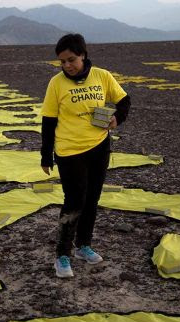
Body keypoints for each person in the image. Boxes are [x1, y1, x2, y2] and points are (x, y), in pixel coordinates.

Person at [40, 33, 131, 278]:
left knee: (92, 199)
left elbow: (124, 100)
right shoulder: (56, 83)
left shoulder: (102, 76)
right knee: (74, 201)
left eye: (71, 60)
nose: (67, 65)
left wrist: (116, 118)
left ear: (83, 55)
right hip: (69, 151)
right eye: (62, 62)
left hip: (99, 147)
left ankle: (83, 246)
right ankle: (62, 255)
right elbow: (48, 121)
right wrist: (46, 156)